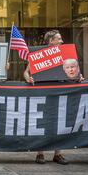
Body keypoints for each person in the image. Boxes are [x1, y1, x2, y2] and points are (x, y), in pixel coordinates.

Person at [24, 30, 69, 165]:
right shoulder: (39, 55)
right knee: (41, 121)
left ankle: (58, 153)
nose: (61, 41)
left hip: (60, 91)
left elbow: (73, 71)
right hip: (42, 92)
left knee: (60, 122)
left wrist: (79, 77)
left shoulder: (66, 54)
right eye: (59, 39)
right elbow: (26, 72)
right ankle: (40, 153)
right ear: (51, 41)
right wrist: (28, 78)